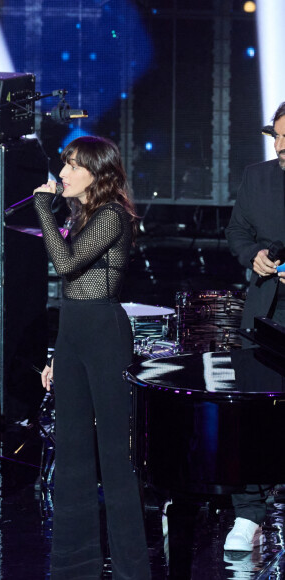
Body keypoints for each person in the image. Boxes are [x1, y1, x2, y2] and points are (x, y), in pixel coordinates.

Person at [33, 136, 151, 579]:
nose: (62, 174)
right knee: (73, 453)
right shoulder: (80, 216)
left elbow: (65, 265)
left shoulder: (112, 216)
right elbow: (68, 286)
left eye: (71, 166)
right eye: (63, 164)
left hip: (104, 334)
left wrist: (43, 209)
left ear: (97, 174)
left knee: (115, 458)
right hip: (73, 335)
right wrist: (56, 356)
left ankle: (130, 570)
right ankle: (73, 567)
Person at [223, 101, 285, 551]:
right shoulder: (257, 176)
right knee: (251, 414)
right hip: (264, 314)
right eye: (277, 137)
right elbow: (236, 232)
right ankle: (248, 514)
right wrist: (253, 257)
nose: (281, 146)